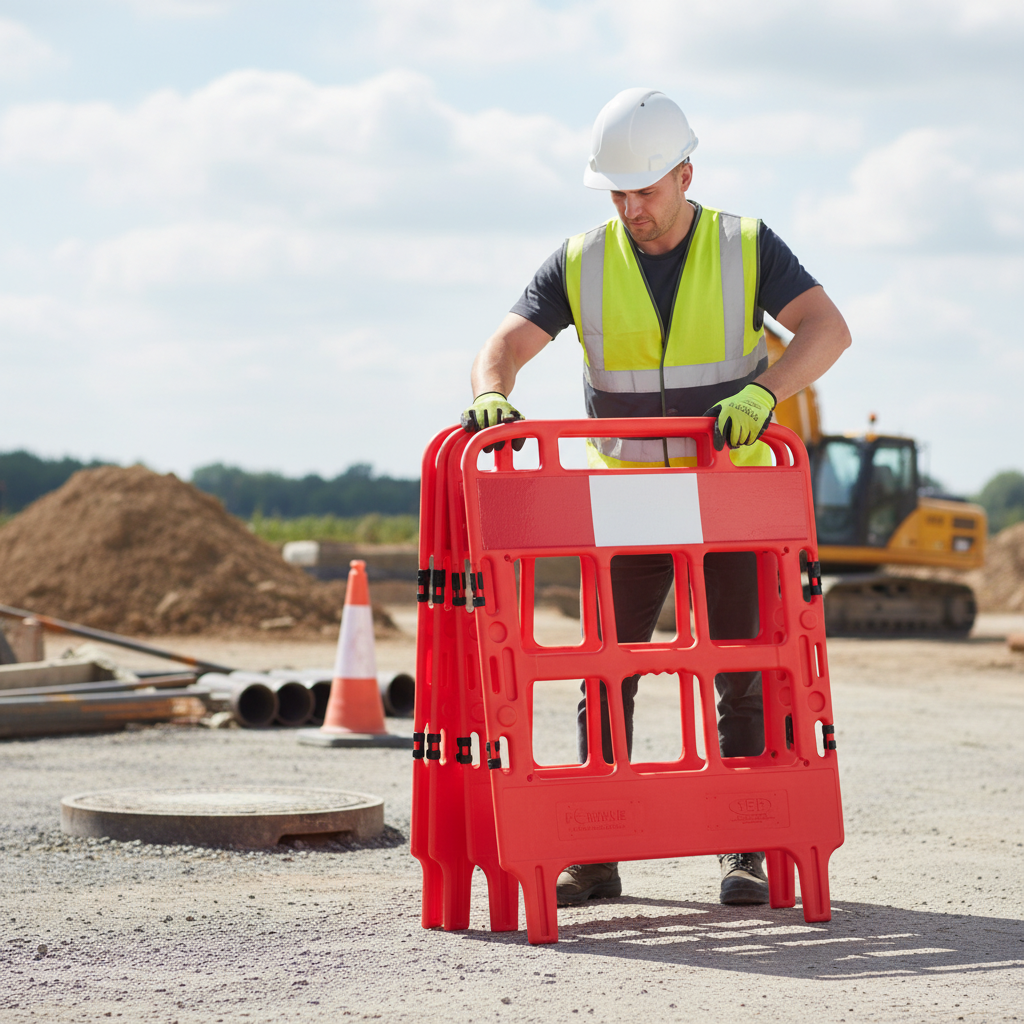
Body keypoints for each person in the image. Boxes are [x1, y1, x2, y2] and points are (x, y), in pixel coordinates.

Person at [460, 88, 851, 908]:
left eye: (644, 189)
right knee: (606, 674)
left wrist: (767, 392)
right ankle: (595, 852)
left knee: (743, 671)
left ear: (684, 175)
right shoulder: (580, 260)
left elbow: (828, 329)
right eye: (617, 192)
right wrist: (493, 392)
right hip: (625, 501)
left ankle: (745, 849)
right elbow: (504, 344)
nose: (631, 208)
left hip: (729, 495)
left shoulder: (746, 245)